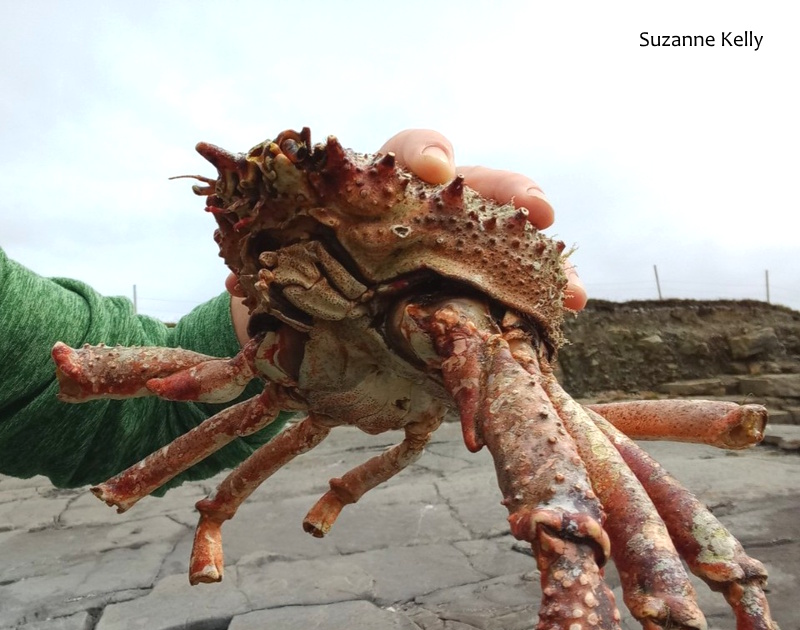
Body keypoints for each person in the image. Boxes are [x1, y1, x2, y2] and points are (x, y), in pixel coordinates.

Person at [0, 129, 586, 491]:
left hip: (489, 350)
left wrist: (255, 323)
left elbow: (68, 408)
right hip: (293, 369)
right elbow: (70, 387)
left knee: (586, 530)